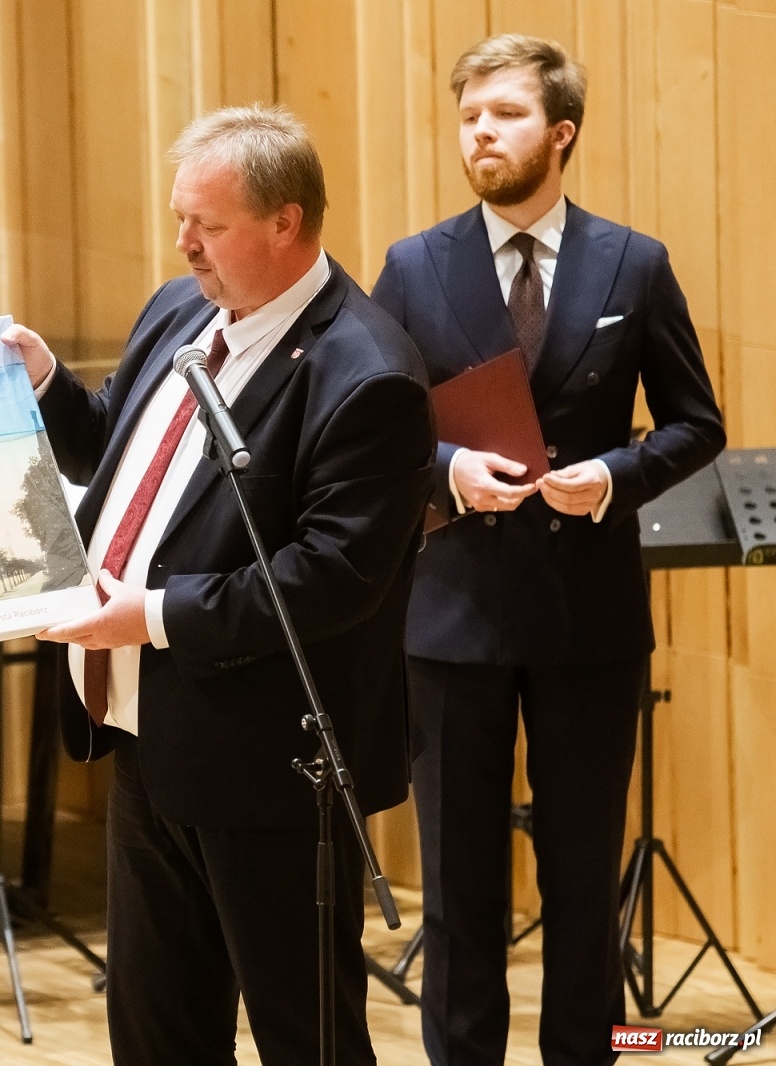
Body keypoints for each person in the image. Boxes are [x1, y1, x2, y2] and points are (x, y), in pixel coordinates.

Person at [3, 105, 434, 1066]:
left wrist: (147, 617)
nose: (185, 244)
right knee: (156, 1030)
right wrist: (47, 389)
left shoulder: (367, 375)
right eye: (179, 220)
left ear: (287, 222)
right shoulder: (180, 309)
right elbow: (117, 443)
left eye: (209, 224)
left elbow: (330, 578)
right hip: (148, 737)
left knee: (304, 1034)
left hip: (270, 764)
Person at [370, 34, 725, 1066]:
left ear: (559, 131)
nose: (480, 132)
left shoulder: (633, 262)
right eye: (469, 115)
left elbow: (694, 422)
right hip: (449, 616)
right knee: (459, 887)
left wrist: (615, 476)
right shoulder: (413, 265)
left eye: (506, 114)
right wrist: (444, 473)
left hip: (587, 620)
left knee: (581, 884)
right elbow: (371, 428)